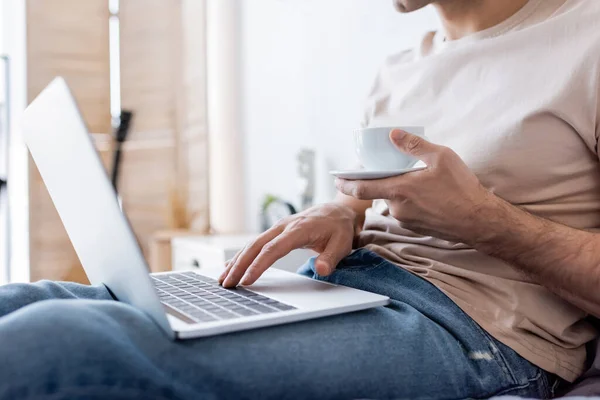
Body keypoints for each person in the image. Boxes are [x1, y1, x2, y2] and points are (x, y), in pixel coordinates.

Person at [2, 0, 600, 398]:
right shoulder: (399, 69)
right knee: (23, 301)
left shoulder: (586, 36)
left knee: (59, 340)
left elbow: (470, 212)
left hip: (473, 332)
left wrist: (486, 223)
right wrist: (342, 211)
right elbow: (394, 203)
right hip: (340, 289)